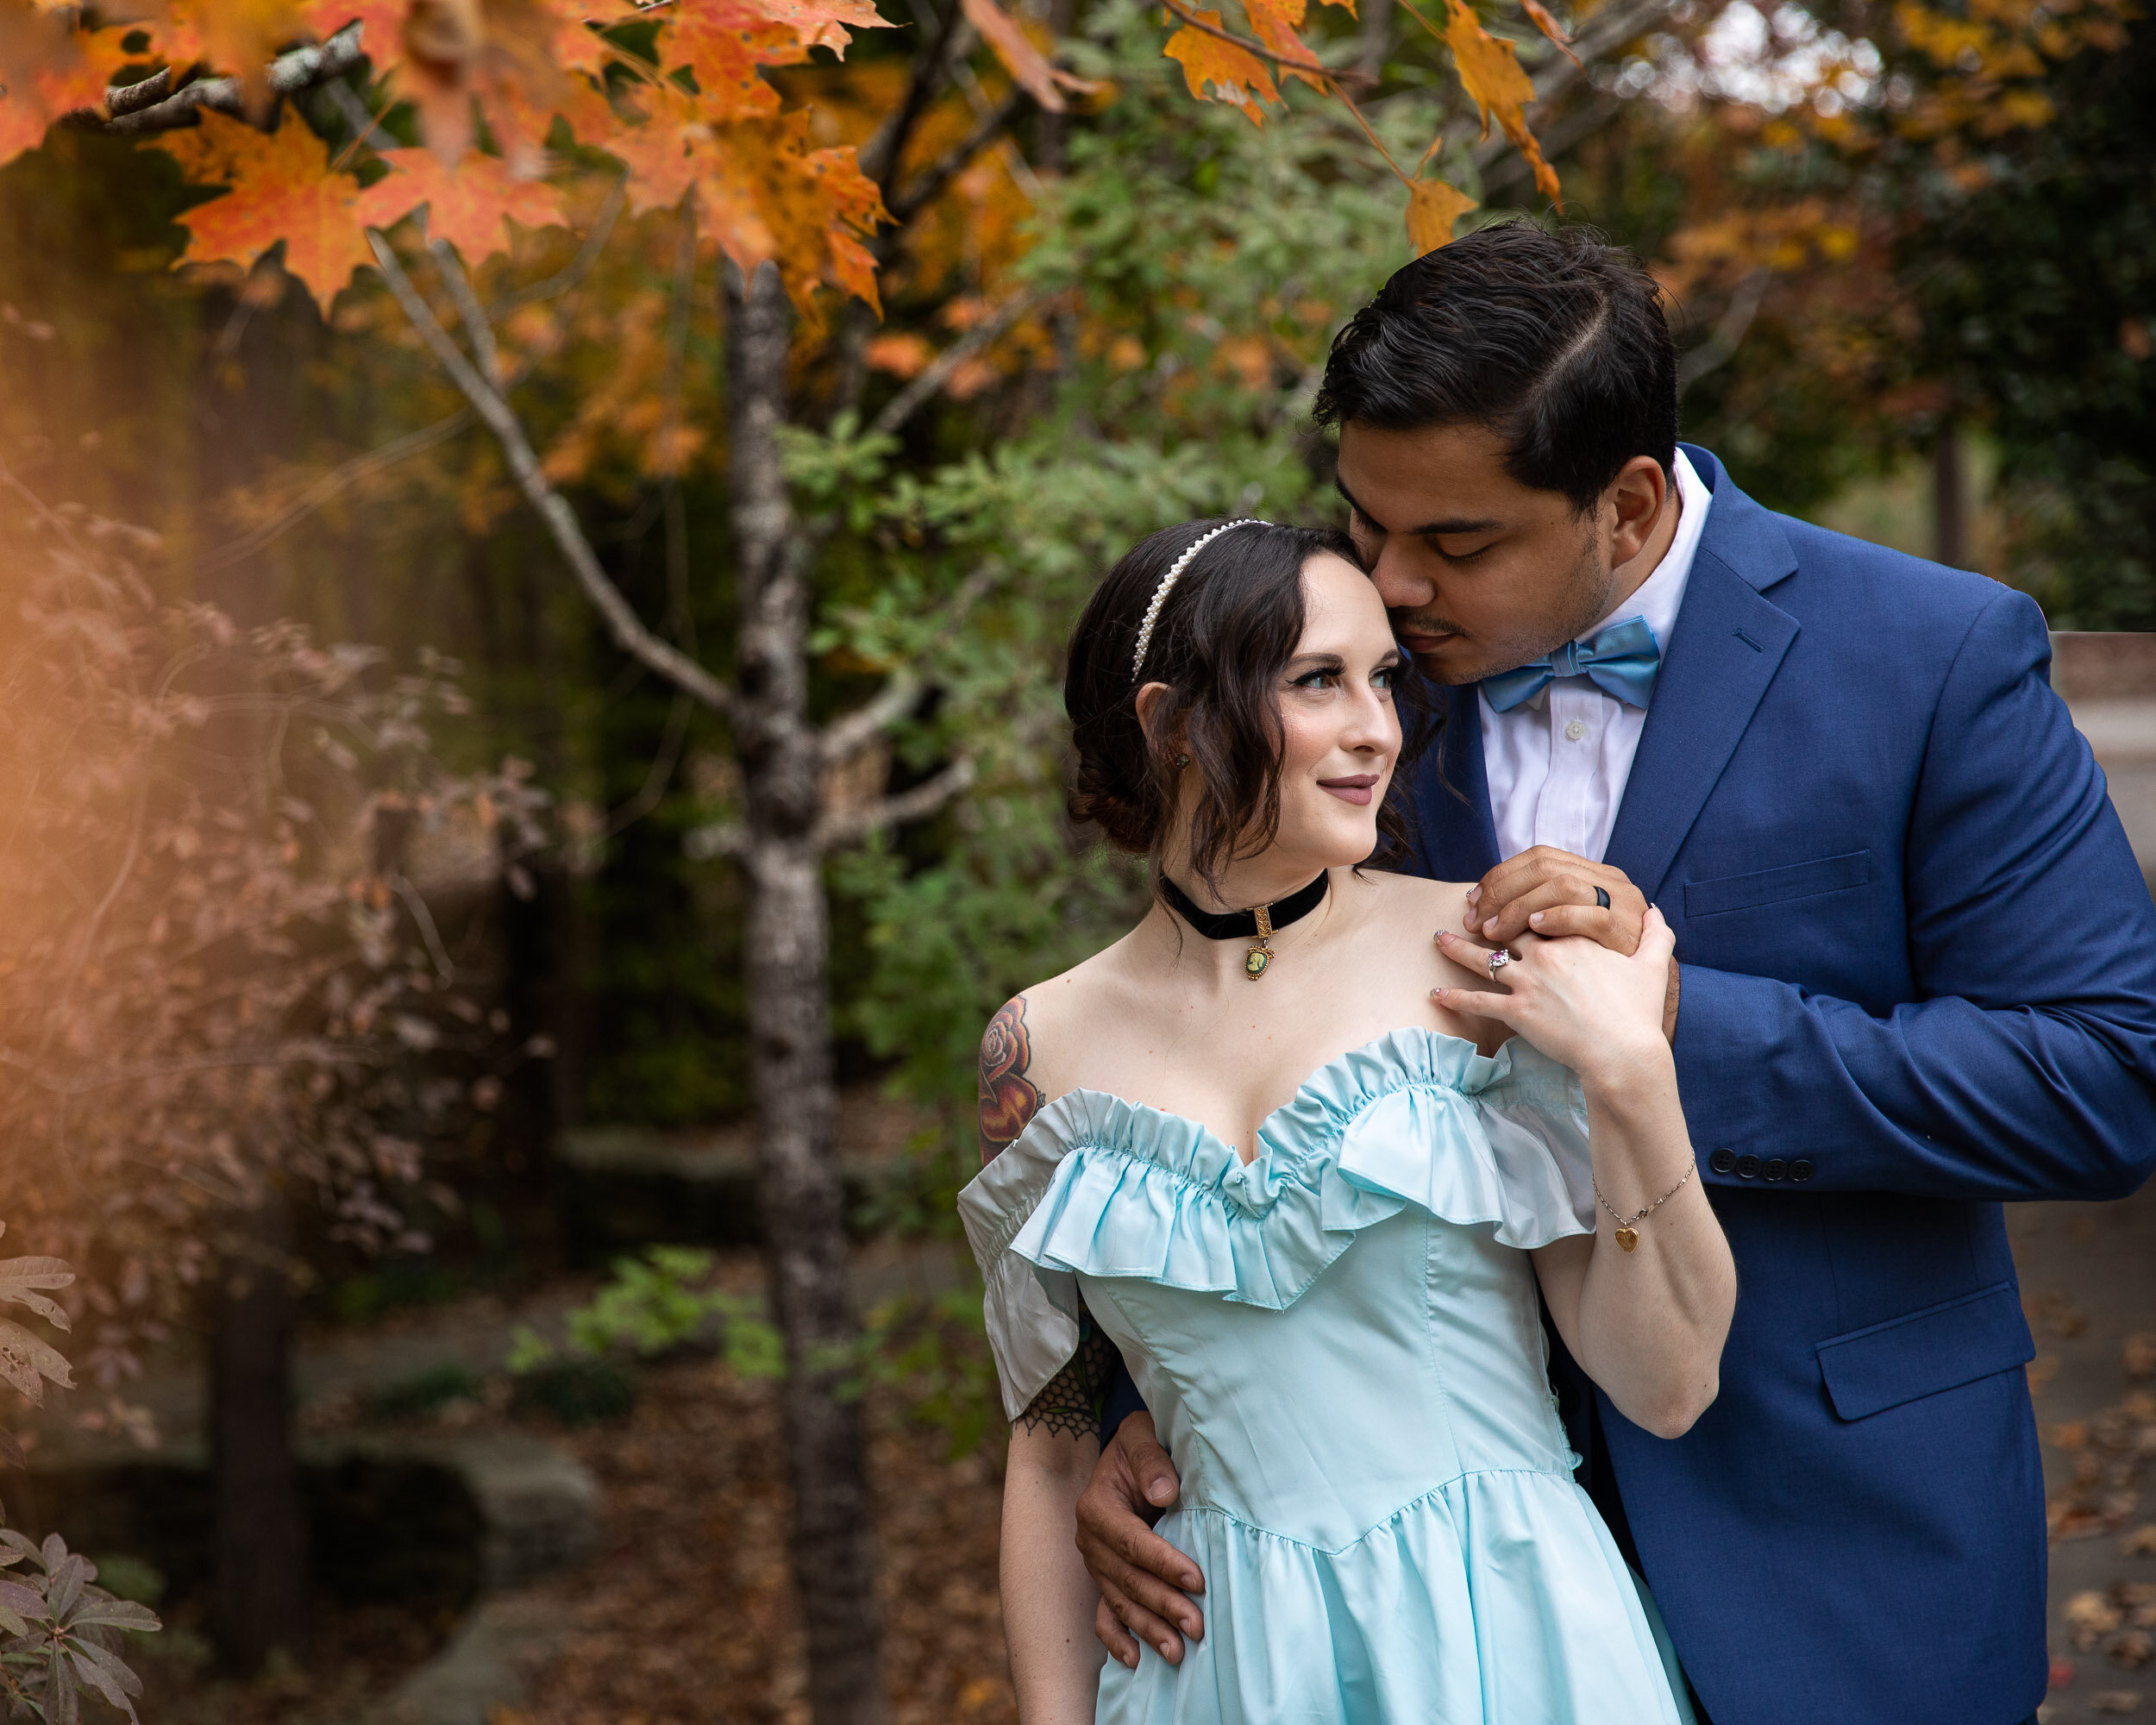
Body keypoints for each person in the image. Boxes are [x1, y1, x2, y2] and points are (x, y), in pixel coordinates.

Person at [1072, 223, 2156, 1725]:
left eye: (1453, 545)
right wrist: (1157, 1399)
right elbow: (1252, 1054)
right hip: (1441, 1614)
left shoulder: (1933, 655)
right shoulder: (1352, 691)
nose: (1386, 588)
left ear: (1629, 503)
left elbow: (2097, 1080)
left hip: (1841, 1544)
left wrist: (1657, 1023)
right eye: (1364, 524)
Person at [961, 516, 1737, 1722]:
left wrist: (1633, 1074)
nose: (1377, 726)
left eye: (1383, 678)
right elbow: (1052, 1449)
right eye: (1318, 682)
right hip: (1220, 1666)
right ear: (1169, 724)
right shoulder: (1037, 1050)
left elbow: (1669, 1384)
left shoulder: (1478, 958)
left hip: (1512, 1638)